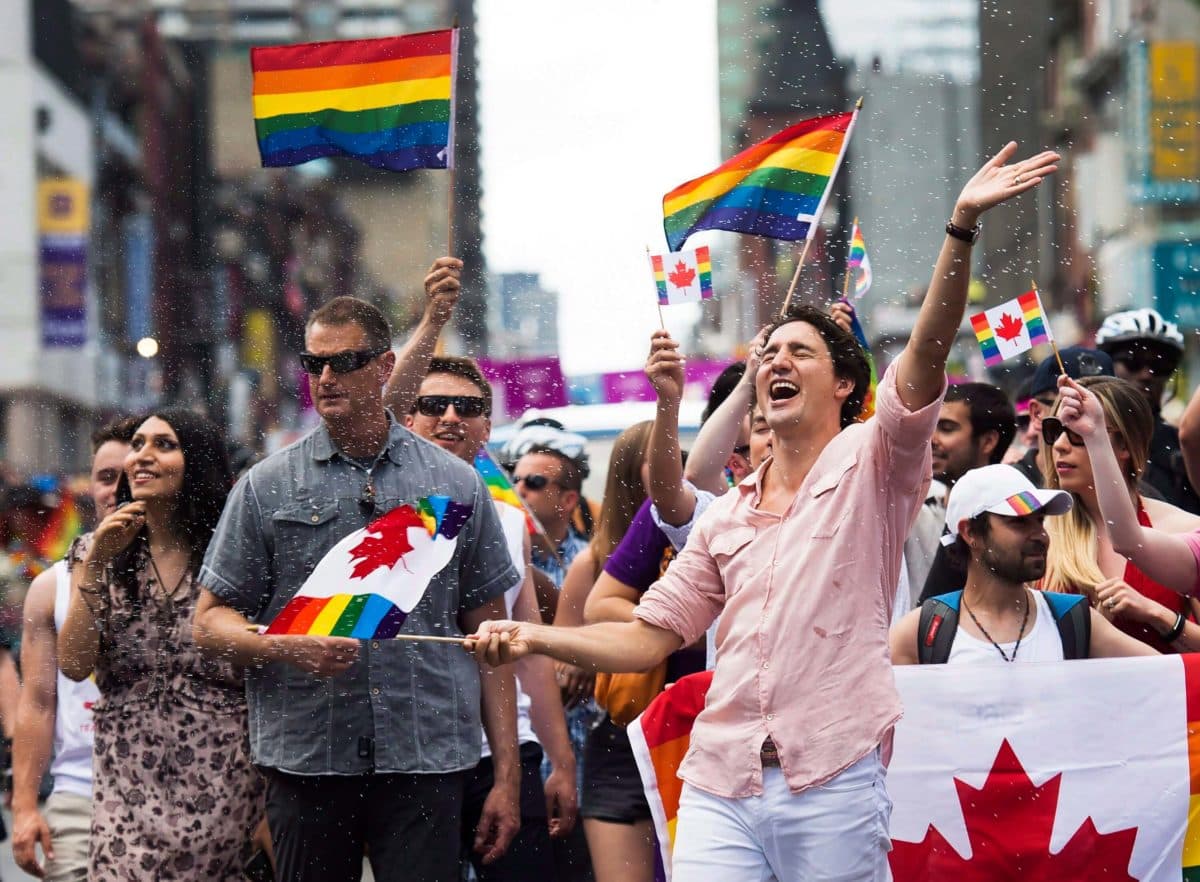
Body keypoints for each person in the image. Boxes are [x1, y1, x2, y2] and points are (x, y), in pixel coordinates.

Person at [467, 142, 1060, 881]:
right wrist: (532, 637)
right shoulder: (724, 516)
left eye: (800, 353)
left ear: (846, 385)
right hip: (721, 783)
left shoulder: (876, 459)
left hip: (835, 779)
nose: (776, 362)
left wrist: (961, 227)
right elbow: (646, 641)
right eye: (767, 354)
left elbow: (929, 351)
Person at [193, 293, 523, 882]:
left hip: (427, 759)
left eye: (343, 362)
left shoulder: (455, 483)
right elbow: (209, 621)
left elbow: (490, 637)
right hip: (307, 760)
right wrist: (282, 645)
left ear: (384, 367)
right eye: (313, 362)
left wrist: (506, 777)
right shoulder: (265, 485)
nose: (324, 377)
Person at [57, 409, 265, 881]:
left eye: (163, 444)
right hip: (126, 790)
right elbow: (72, 663)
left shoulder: (237, 555)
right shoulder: (95, 550)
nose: (141, 456)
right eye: (137, 444)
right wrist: (97, 566)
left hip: (227, 789)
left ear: (199, 463)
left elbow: (271, 673)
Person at [403, 355, 580, 881]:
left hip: (505, 753)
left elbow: (530, 656)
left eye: (469, 407)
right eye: (433, 405)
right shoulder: (383, 517)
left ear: (486, 426)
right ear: (407, 419)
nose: (451, 416)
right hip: (412, 757)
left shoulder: (508, 519)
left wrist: (562, 762)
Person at [11, 418, 135, 881]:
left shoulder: (195, 582)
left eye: (129, 476)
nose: (116, 490)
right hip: (79, 800)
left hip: (177, 803)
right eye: (105, 477)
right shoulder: (50, 587)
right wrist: (25, 807)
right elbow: (38, 704)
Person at [891, 464, 1157, 664]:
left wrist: (1164, 618)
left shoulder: (1073, 620)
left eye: (1040, 521)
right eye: (1019, 522)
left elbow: (1171, 682)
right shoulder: (921, 633)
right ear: (970, 532)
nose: (1040, 535)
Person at [554, 421, 658, 882]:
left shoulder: (707, 541)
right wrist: (582, 658)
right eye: (668, 460)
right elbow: (562, 658)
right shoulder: (592, 563)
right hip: (618, 745)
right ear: (636, 474)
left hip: (693, 738)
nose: (685, 472)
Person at [1040, 376, 1200, 652]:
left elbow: (1126, 539)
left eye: (1078, 434)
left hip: (1164, 694)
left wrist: (1158, 615)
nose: (1060, 446)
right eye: (1055, 431)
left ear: (1124, 446)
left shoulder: (1181, 528)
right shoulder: (1036, 535)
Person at [917, 383, 1018, 601]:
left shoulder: (1014, 522)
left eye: (946, 428)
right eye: (930, 427)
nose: (931, 440)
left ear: (988, 441)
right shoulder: (913, 511)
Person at [1095, 307, 1200, 513]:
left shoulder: (1183, 446)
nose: (1147, 375)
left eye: (1159, 366)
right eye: (1133, 362)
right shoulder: (1079, 438)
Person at [1011, 346, 1114, 487]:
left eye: (1101, 410)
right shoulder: (1007, 492)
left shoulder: (1137, 498)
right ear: (1037, 414)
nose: (1090, 420)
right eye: (1074, 406)